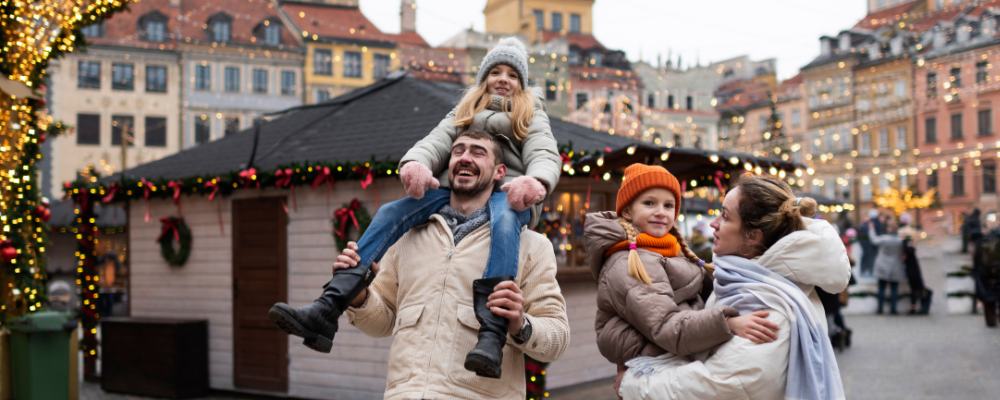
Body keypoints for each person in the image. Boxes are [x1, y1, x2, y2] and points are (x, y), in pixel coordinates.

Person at [268, 37, 562, 374]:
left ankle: (492, 331)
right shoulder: (464, 112)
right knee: (393, 211)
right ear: (483, 80)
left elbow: (543, 153)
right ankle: (329, 304)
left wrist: (535, 181)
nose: (504, 79)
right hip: (457, 192)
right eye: (495, 71)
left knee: (506, 222)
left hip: (512, 194)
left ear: (522, 85)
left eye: (513, 74)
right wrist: (417, 164)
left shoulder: (530, 115)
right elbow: (434, 142)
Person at [335, 131, 569, 398]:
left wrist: (520, 324)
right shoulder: (407, 237)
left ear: (499, 172)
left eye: (478, 152)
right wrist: (359, 298)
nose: (465, 158)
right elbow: (383, 323)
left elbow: (558, 339)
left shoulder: (531, 246)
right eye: (458, 151)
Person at [617, 174, 851, 400]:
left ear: (752, 236)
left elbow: (724, 384)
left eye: (726, 217)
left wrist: (634, 385)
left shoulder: (768, 304)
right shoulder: (748, 282)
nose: (714, 224)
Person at [583, 164, 779, 393]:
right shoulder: (630, 260)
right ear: (627, 211)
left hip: (669, 361)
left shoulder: (668, 250)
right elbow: (666, 326)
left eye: (668, 205)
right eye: (649, 203)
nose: (660, 211)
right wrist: (728, 323)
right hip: (652, 368)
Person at [870, 218, 906, 315]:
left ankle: (880, 309)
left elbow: (873, 240)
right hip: (895, 265)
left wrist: (871, 229)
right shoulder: (900, 240)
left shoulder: (883, 238)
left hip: (882, 265)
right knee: (894, 289)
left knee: (881, 288)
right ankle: (893, 309)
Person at [973, 225, 1000, 327]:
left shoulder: (982, 242)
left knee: (988, 300)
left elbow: (976, 261)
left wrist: (976, 273)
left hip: (985, 274)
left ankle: (991, 321)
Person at [857, 209, 883, 277]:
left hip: (868, 245)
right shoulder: (873, 224)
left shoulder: (868, 224)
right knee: (871, 258)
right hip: (870, 245)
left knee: (868, 258)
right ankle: (868, 270)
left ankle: (866, 270)